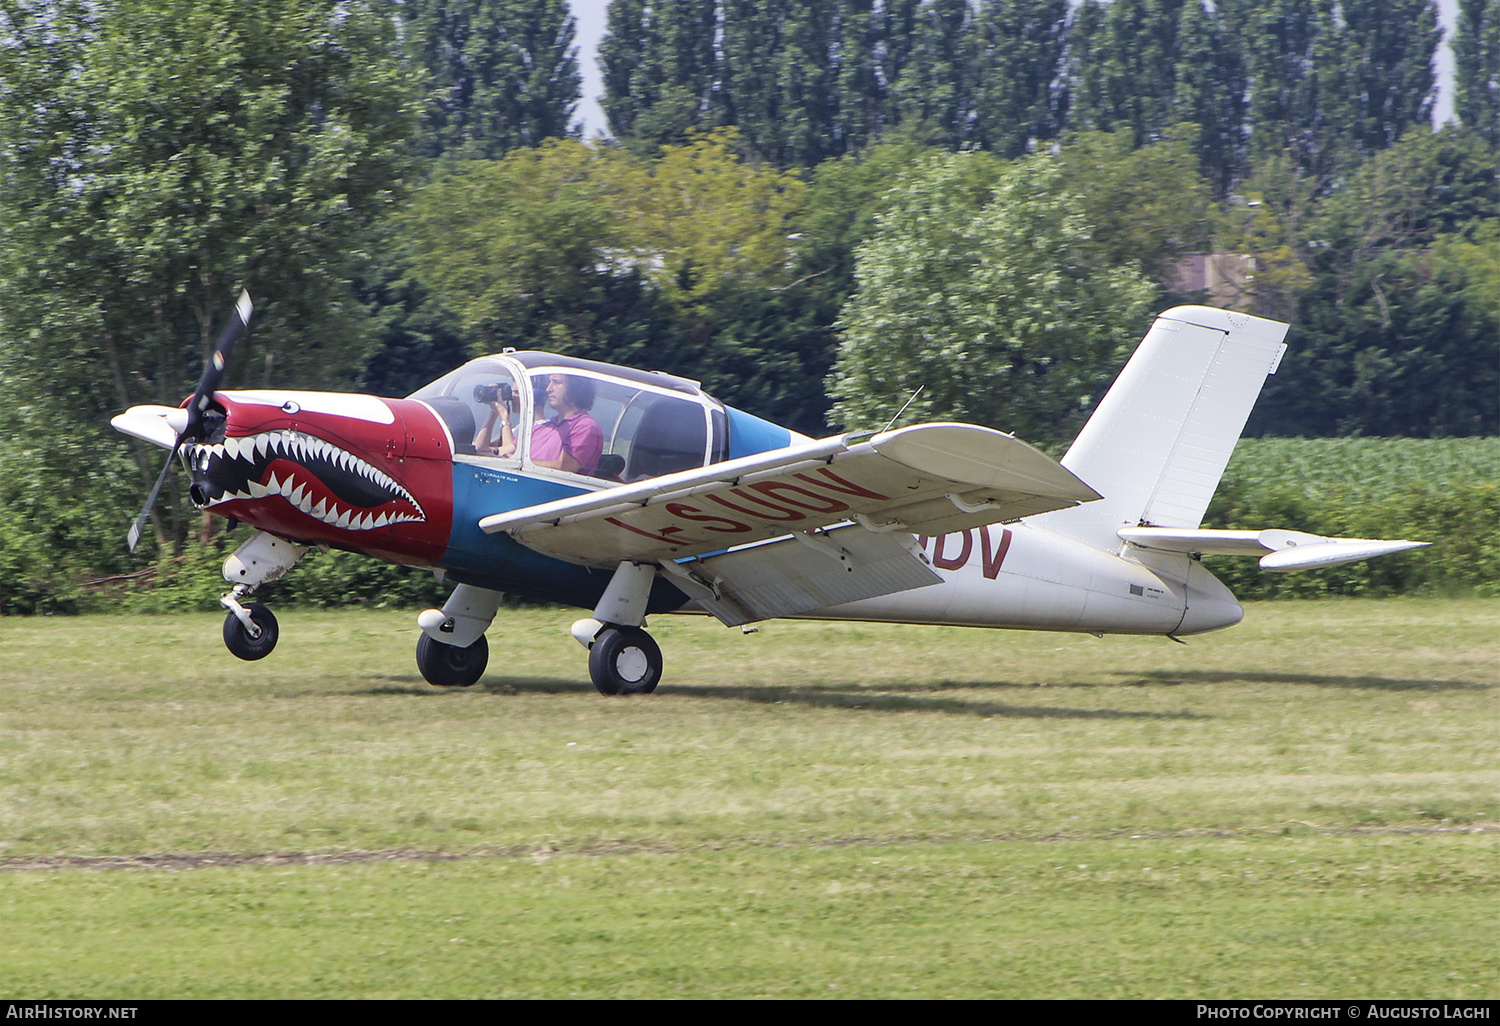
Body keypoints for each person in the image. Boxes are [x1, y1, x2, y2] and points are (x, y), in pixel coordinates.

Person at [530, 373, 603, 476]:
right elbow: (509, 449)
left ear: (575, 388)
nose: (548, 389)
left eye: (556, 382)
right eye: (549, 382)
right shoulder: (546, 425)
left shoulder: (585, 426)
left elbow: (566, 466)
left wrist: (523, 461)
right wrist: (502, 415)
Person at [472, 385, 517, 457]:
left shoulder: (535, 430)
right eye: (512, 392)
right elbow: (480, 448)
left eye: (517, 392)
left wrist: (504, 416)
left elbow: (511, 456)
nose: (512, 396)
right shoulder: (517, 430)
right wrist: (494, 411)